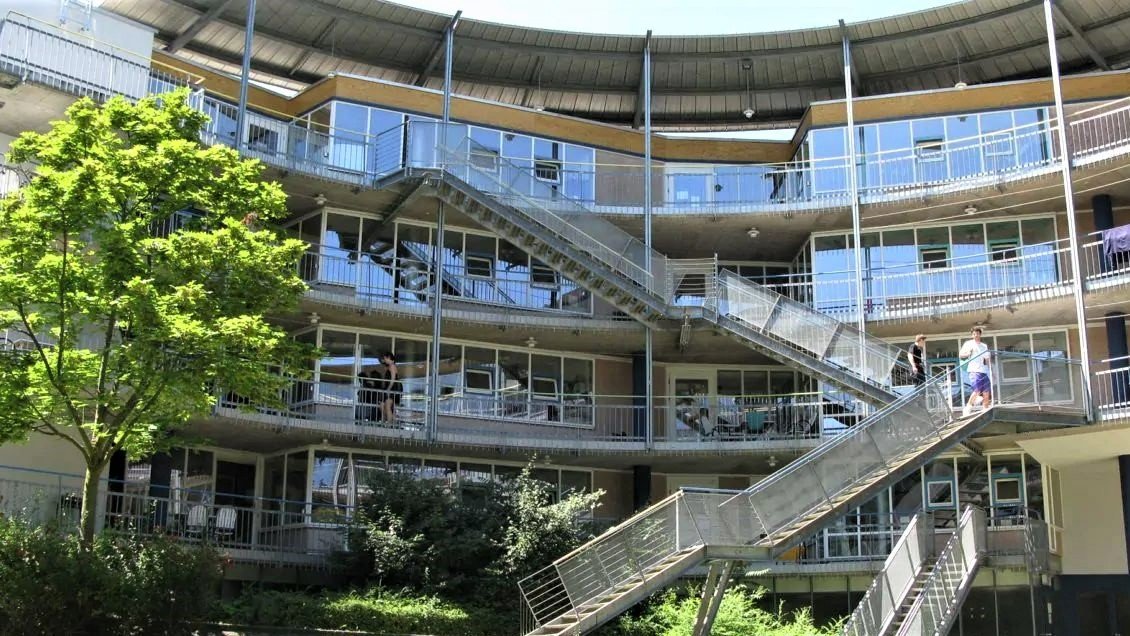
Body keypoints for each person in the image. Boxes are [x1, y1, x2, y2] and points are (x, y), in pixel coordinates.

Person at [960, 327, 992, 416]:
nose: (976, 335)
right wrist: (968, 353)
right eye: (974, 334)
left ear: (980, 334)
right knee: (977, 390)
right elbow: (961, 355)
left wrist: (990, 371)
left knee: (986, 392)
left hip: (984, 371)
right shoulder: (968, 344)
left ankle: (985, 409)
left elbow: (987, 358)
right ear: (972, 335)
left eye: (978, 333)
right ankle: (968, 408)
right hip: (974, 370)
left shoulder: (984, 345)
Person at [381, 352, 402, 424]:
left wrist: (388, 389)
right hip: (391, 388)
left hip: (393, 389)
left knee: (387, 406)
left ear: (389, 358)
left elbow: (393, 379)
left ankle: (390, 423)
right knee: (384, 406)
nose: (384, 360)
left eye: (385, 358)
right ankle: (390, 421)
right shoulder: (389, 366)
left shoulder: (392, 366)